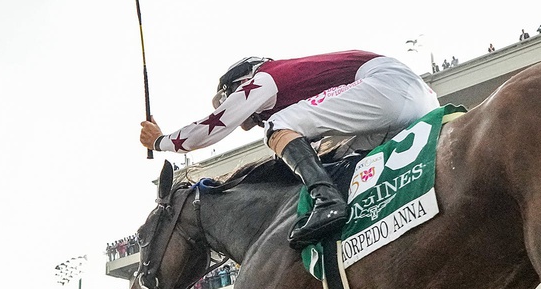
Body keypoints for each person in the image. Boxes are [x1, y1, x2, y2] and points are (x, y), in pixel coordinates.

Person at [138, 51, 438, 248]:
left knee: (278, 125)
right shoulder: (296, 78)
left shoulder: (264, 79)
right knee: (341, 157)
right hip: (421, 99)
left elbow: (214, 126)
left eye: (252, 116)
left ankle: (327, 202)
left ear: (241, 82)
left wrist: (160, 141)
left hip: (388, 87)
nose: (255, 122)